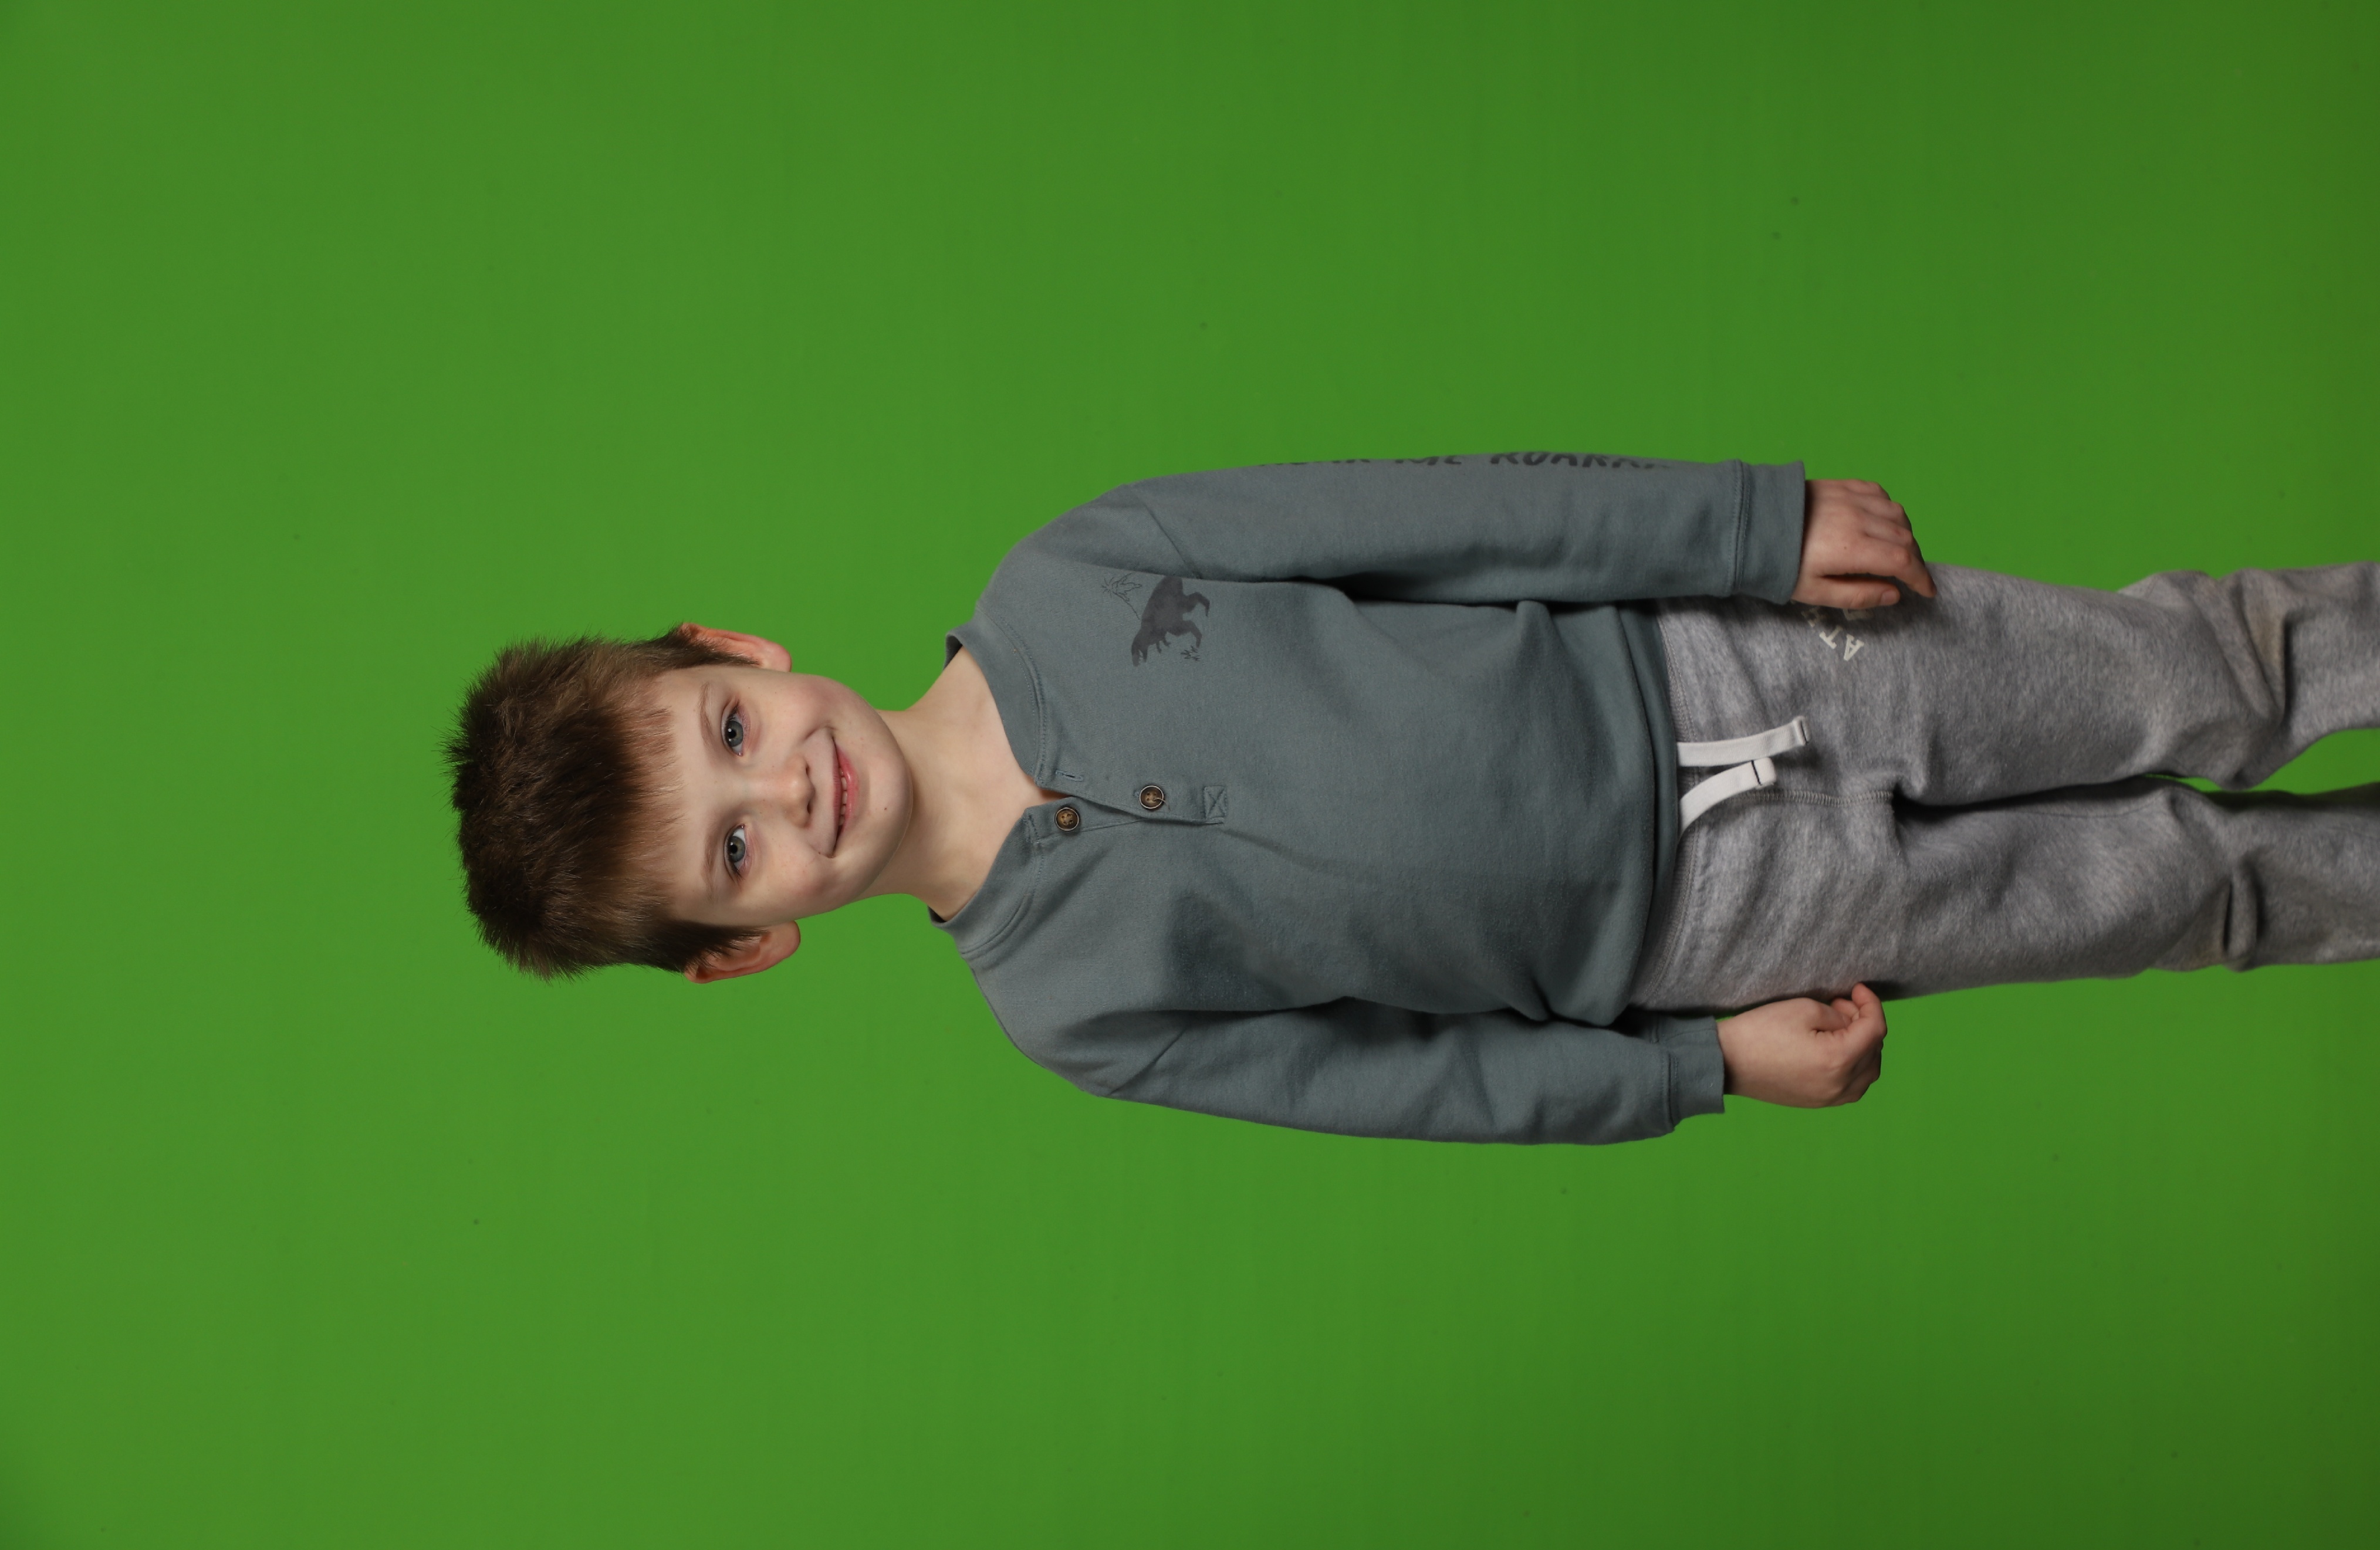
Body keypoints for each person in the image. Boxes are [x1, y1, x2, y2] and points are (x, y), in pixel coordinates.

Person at [445, 454, 2380, 1145]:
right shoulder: (1068, 1011)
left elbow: (1437, 516)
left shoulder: (1074, 573)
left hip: (1741, 663)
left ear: (735, 646)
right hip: (1726, 936)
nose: (785, 785)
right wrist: (1693, 1071)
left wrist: (1742, 526)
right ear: (748, 945)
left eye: (727, 727)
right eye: (734, 850)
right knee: (2182, 890)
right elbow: (1409, 1085)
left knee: (2204, 668)